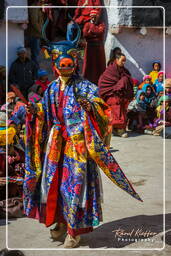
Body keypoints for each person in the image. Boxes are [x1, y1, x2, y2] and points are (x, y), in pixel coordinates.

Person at [24, 26, 142, 248]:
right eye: (61, 60)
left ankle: (73, 230)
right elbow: (45, 112)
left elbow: (103, 112)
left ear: (75, 61)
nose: (65, 65)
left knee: (75, 187)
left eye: (70, 60)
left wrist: (91, 108)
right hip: (55, 146)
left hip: (78, 147)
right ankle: (59, 223)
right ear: (55, 63)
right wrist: (34, 112)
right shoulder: (50, 89)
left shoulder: (86, 87)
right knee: (53, 185)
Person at [98, 53, 134, 138]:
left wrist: (124, 83)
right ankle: (119, 130)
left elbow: (128, 80)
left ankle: (118, 128)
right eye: (122, 61)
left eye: (125, 61)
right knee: (116, 106)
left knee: (123, 108)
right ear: (116, 60)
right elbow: (103, 82)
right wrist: (119, 85)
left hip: (121, 95)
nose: (124, 63)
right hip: (111, 94)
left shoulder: (124, 71)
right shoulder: (110, 70)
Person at [82, 9, 106, 85]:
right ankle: (87, 80)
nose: (93, 18)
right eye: (92, 17)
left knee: (99, 65)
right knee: (89, 64)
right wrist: (95, 32)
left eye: (95, 17)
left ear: (98, 17)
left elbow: (100, 32)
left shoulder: (101, 24)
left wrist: (91, 30)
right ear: (90, 17)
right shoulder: (87, 24)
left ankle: (99, 81)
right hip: (90, 48)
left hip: (99, 48)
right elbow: (85, 34)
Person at [27, 0, 45, 67]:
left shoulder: (38, 8)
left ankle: (35, 69)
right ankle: (35, 70)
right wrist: (41, 31)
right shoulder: (33, 8)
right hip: (34, 34)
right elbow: (34, 21)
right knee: (35, 55)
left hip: (37, 34)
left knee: (36, 53)